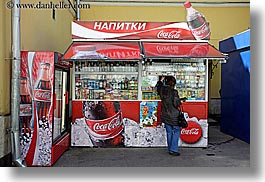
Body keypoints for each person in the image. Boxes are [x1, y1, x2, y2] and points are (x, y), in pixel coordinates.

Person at [156, 76, 182, 156]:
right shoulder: (174, 92)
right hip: (174, 115)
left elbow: (158, 85)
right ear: (173, 83)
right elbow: (176, 103)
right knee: (177, 131)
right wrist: (180, 101)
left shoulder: (162, 90)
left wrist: (161, 80)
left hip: (165, 114)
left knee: (169, 132)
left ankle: (170, 149)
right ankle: (174, 149)